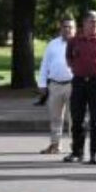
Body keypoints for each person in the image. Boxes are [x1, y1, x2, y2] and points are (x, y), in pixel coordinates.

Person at [65, 11, 96, 164]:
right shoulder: (74, 40)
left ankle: (95, 154)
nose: (95, 24)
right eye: (92, 21)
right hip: (79, 81)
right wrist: (76, 68)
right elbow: (69, 58)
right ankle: (77, 152)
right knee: (77, 118)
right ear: (84, 23)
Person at [38, 17, 76, 154]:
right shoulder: (52, 44)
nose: (67, 29)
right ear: (60, 28)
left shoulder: (78, 44)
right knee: (55, 116)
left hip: (73, 84)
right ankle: (55, 144)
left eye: (70, 27)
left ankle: (75, 146)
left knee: (74, 118)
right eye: (65, 27)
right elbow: (45, 64)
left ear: (75, 29)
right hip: (54, 85)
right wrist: (42, 83)